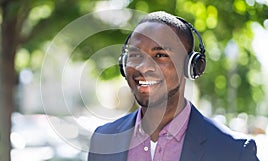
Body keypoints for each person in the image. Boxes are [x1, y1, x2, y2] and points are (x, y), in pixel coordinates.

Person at [88, 11, 259, 161]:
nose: (143, 66)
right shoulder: (103, 140)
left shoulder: (234, 152)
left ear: (190, 66)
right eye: (135, 54)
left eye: (160, 54)